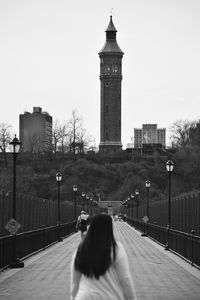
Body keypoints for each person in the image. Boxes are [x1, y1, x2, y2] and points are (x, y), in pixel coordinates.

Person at [70, 214, 137, 300]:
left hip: (84, 296)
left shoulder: (81, 249)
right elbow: (125, 280)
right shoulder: (116, 249)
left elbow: (75, 282)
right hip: (110, 296)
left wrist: (72, 297)